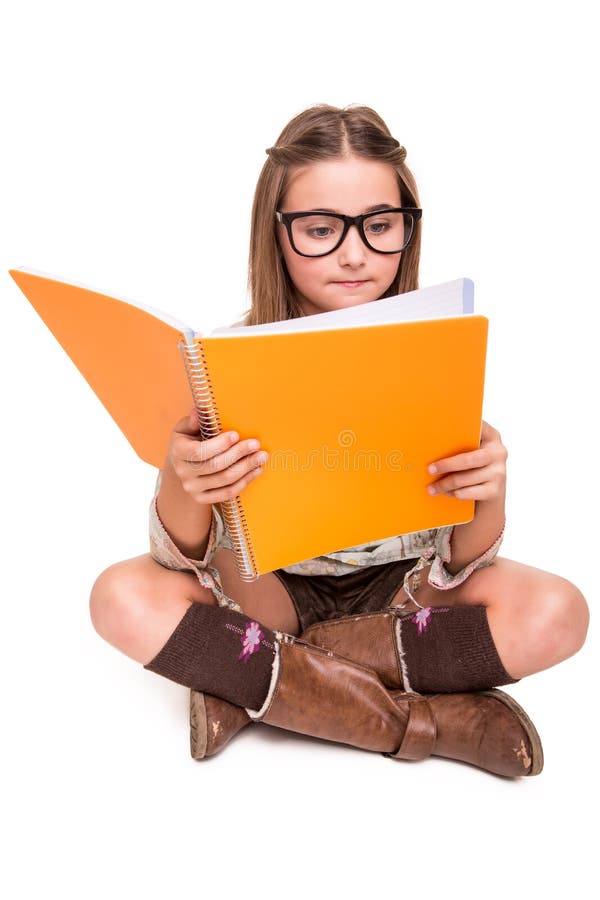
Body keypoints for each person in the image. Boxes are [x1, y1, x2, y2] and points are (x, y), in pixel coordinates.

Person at [89, 104, 589, 777]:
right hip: (267, 597)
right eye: (321, 230)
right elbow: (183, 565)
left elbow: (462, 563)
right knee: (120, 597)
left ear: (408, 230)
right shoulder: (222, 363)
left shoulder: (434, 348)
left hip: (406, 598)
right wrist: (183, 482)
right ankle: (430, 723)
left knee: (558, 614)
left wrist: (489, 493)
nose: (355, 254)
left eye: (380, 227)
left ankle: (268, 686)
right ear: (277, 233)